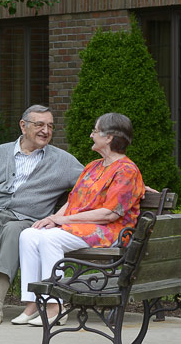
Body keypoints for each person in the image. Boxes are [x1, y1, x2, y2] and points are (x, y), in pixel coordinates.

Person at [0, 105, 84, 325]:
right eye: (39, 124)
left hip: (26, 220)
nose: (45, 131)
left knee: (14, 230)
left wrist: (136, 186)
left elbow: (95, 181)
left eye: (50, 126)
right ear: (23, 126)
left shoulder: (63, 161)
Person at [14, 112, 144, 326]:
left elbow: (109, 214)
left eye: (95, 131)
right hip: (83, 227)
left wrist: (62, 222)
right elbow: (74, 199)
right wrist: (55, 217)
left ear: (109, 137)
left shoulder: (127, 171)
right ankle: (32, 303)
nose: (91, 135)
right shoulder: (93, 166)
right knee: (29, 234)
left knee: (50, 239)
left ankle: (55, 306)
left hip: (110, 230)